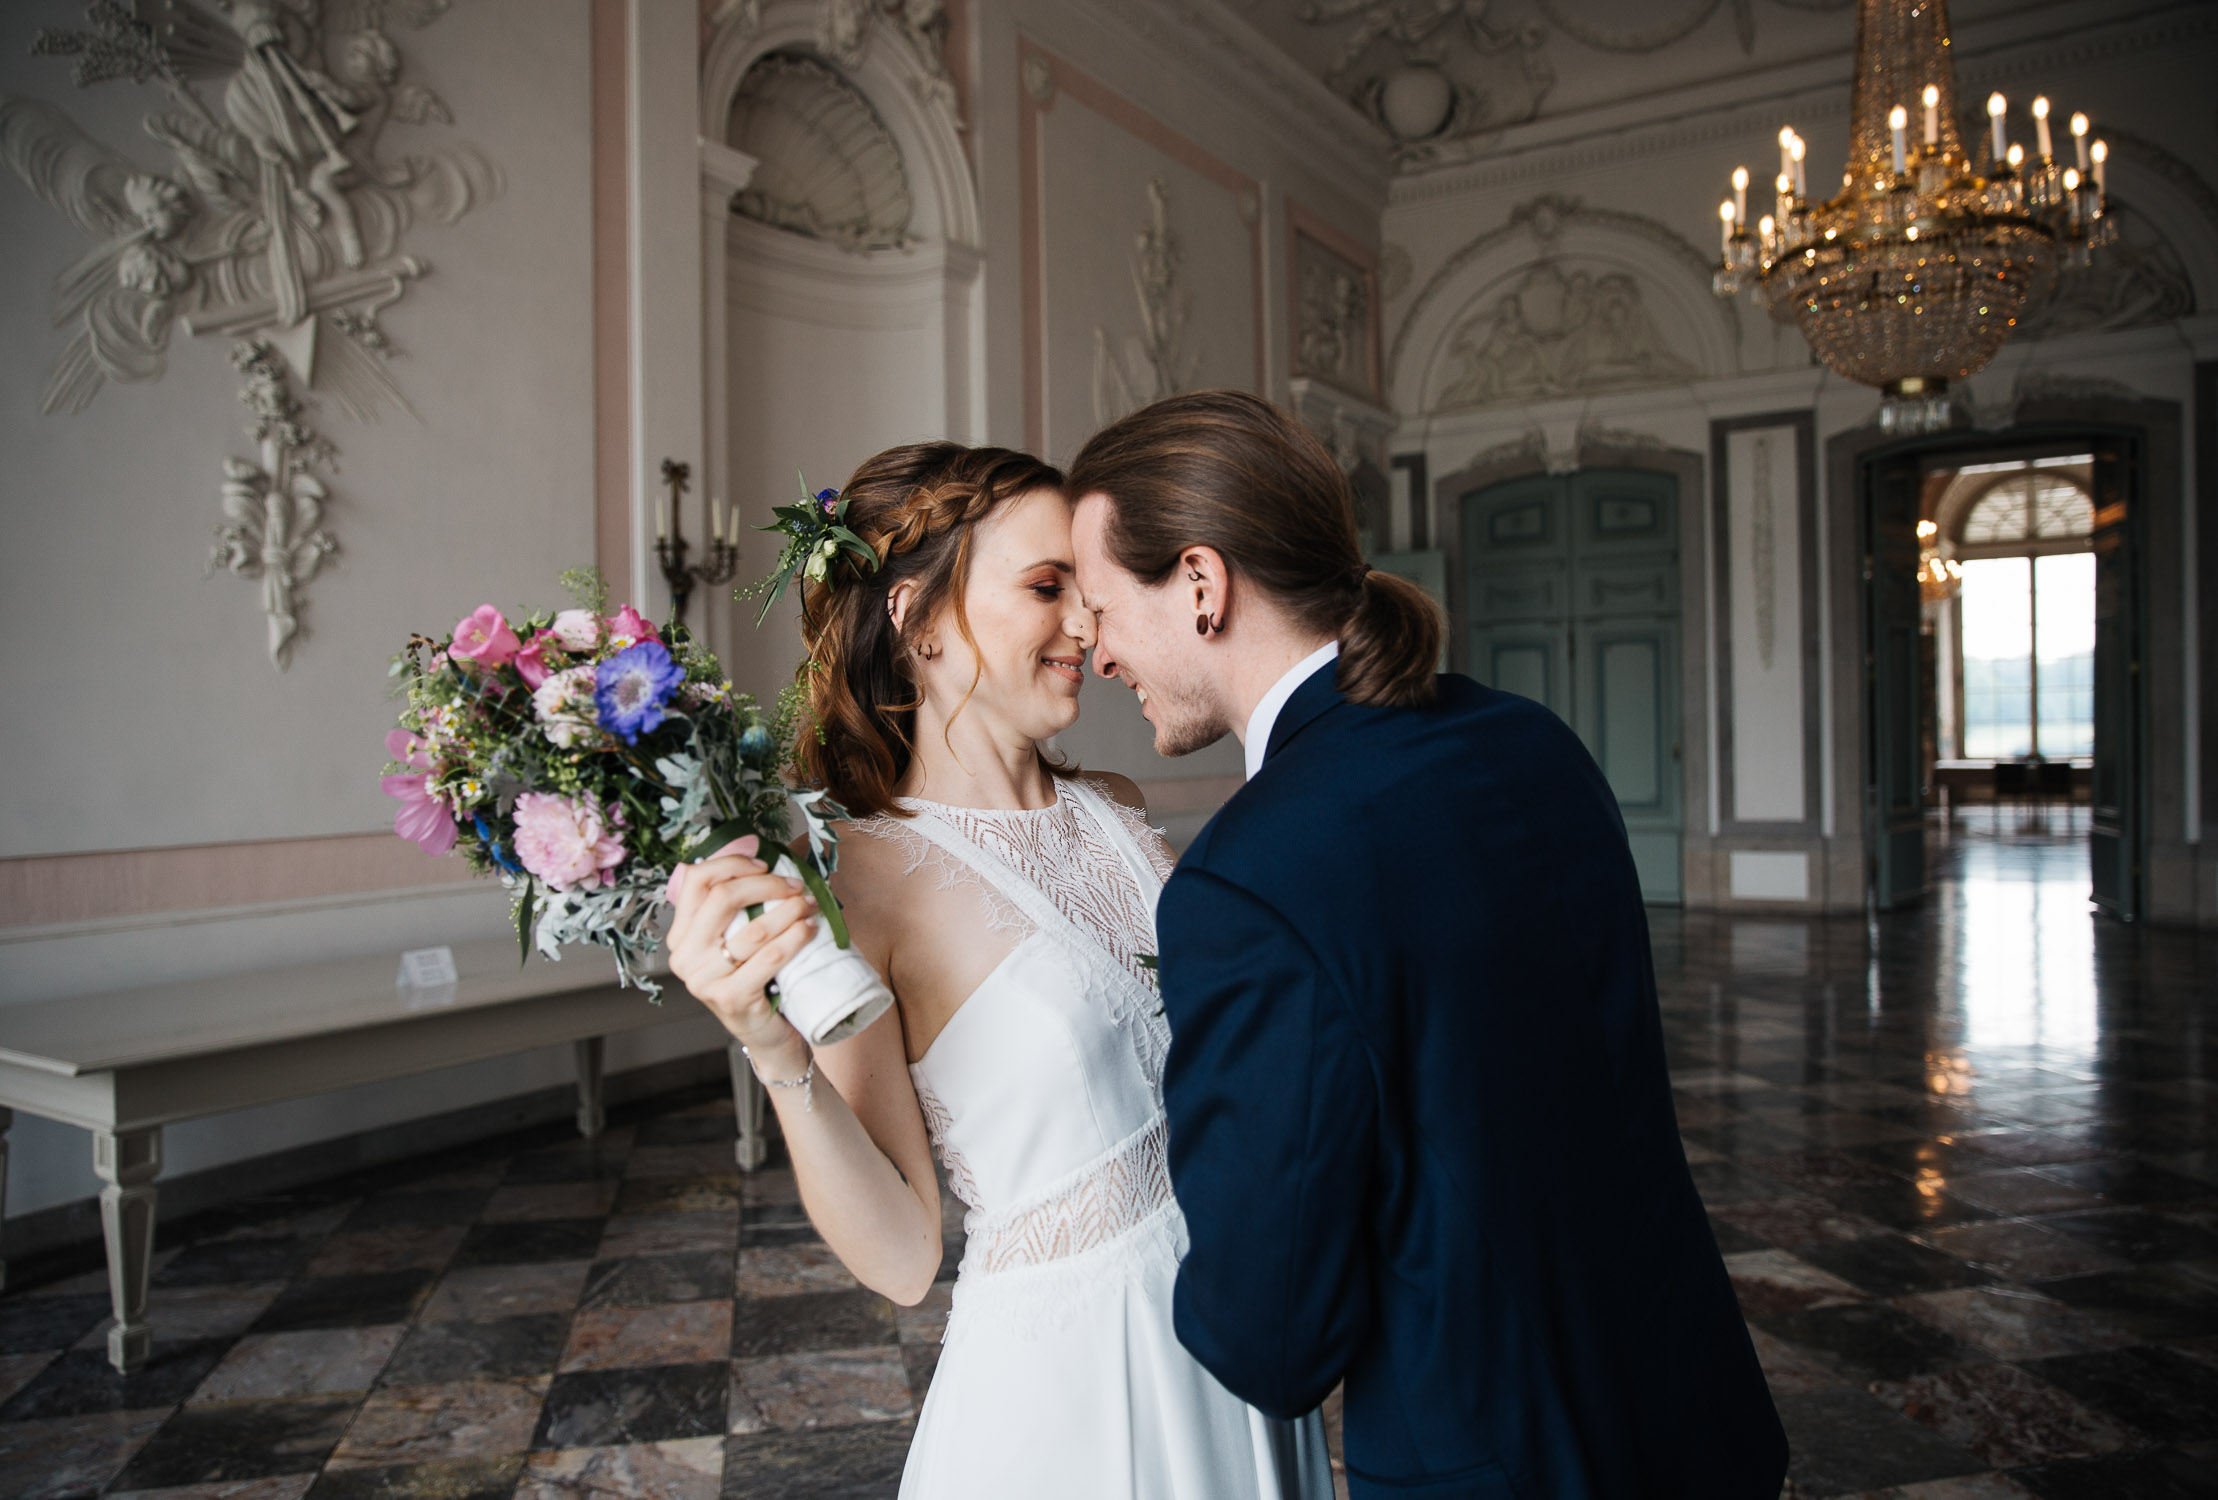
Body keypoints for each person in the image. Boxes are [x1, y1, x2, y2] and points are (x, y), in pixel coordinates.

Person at [1065, 390, 1788, 1500]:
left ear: (1202, 586)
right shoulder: (1528, 738)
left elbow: (1275, 1338)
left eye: (1105, 608)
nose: (1094, 649)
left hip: (1491, 1454)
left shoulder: (1251, 877)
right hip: (1692, 1401)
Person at [665, 442, 1330, 1498]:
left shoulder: (1115, 810)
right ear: (916, 617)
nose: (1087, 624)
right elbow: (899, 1254)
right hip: (1074, 1391)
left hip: (1239, 1325)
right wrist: (770, 1048)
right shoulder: (854, 873)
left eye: (1089, 589)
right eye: (1046, 586)